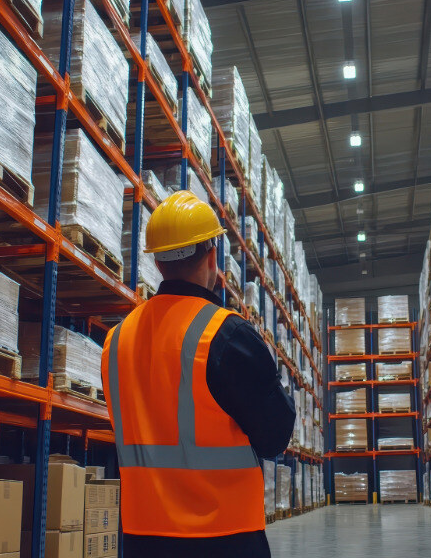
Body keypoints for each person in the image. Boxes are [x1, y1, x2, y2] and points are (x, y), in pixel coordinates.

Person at [101, 190, 296, 558]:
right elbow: (275, 436)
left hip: (143, 538)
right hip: (225, 536)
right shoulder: (226, 335)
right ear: (212, 256)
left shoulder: (116, 341)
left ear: (157, 263)